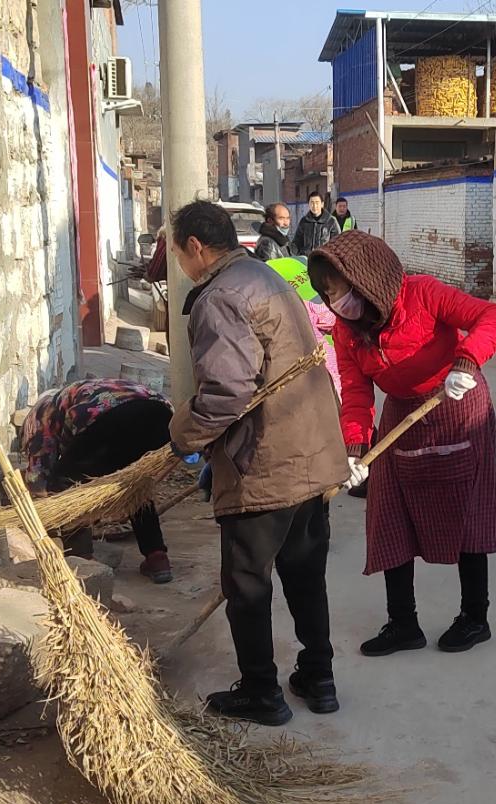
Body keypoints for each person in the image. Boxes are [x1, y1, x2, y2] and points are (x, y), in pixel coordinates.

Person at [167, 200, 348, 726]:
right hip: (312, 452)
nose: (180, 263)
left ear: (196, 248)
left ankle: (261, 692)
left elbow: (225, 391)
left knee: (247, 584)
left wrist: (184, 436)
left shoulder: (220, 296)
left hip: (267, 462)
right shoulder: (263, 276)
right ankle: (320, 677)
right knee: (305, 574)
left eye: (178, 252)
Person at [307, 231, 496, 656]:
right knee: (388, 513)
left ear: (366, 279)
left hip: (458, 404)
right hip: (402, 413)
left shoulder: (424, 294)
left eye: (339, 291)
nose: (334, 304)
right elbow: (357, 392)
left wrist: (467, 360)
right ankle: (403, 623)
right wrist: (356, 449)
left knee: (466, 510)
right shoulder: (348, 331)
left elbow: (493, 317)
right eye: (327, 295)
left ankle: (475, 617)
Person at [20, 379, 174, 583]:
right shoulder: (85, 390)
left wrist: (45, 507)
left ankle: (82, 560)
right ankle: (157, 557)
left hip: (106, 420)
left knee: (68, 486)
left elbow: (38, 472)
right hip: (163, 415)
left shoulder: (41, 413)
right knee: (135, 487)